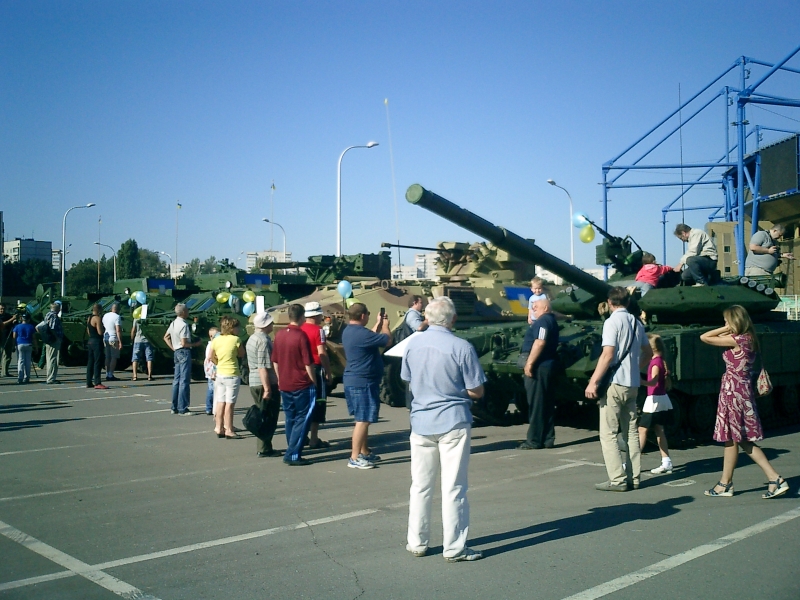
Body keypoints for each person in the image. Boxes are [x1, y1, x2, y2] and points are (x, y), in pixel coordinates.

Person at [401, 296, 487, 562]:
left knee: (420, 486)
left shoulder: (412, 344)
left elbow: (407, 379)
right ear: (453, 319)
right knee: (453, 487)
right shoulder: (462, 347)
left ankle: (417, 542)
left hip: (421, 421)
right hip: (453, 421)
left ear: (426, 318)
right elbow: (477, 390)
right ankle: (454, 548)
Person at [699, 305, 790, 499]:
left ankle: (775, 478)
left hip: (734, 394)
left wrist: (726, 328)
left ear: (734, 321)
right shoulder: (748, 338)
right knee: (733, 439)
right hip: (739, 391)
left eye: (727, 320)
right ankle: (725, 483)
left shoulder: (738, 339)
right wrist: (730, 328)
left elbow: (705, 337)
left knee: (741, 439)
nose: (724, 323)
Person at [585, 287, 651, 492]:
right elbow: (648, 352)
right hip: (632, 383)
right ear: (628, 302)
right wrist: (635, 368)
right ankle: (634, 477)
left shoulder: (611, 322)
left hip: (614, 383)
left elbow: (608, 354)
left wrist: (593, 381)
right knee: (630, 431)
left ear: (609, 302)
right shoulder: (636, 322)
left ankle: (617, 479)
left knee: (609, 433)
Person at [342, 302, 392, 469]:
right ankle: (354, 457)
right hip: (363, 382)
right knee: (363, 420)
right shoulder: (362, 334)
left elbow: (369, 336)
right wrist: (385, 326)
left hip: (354, 380)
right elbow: (387, 340)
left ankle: (364, 451)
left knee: (362, 419)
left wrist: (377, 323)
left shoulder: (349, 331)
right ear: (363, 316)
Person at [272, 303, 317, 466]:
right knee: (302, 418)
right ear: (302, 316)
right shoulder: (301, 335)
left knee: (290, 417)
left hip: (285, 383)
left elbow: (275, 361)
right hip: (301, 383)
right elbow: (308, 363)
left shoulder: (279, 334)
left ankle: (291, 447)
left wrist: (280, 378)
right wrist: (313, 380)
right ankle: (293, 453)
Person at [518, 298, 560, 450]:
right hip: (546, 365)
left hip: (539, 367)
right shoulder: (550, 320)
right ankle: (548, 438)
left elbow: (540, 341)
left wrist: (529, 363)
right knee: (546, 404)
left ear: (546, 308)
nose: (533, 308)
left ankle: (534, 440)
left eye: (536, 306)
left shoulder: (543, 321)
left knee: (536, 404)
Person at [246, 312, 281, 457]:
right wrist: (267, 388)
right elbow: (263, 367)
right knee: (268, 416)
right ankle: (264, 448)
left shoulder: (252, 338)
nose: (272, 325)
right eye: (270, 323)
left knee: (263, 413)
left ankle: (264, 446)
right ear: (265, 325)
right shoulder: (263, 341)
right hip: (264, 382)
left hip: (254, 380)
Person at [638, 334, 673, 474]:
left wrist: (640, 381)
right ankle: (666, 462)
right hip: (661, 398)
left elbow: (653, 381)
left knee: (642, 430)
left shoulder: (655, 363)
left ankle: (632, 463)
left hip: (654, 400)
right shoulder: (660, 360)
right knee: (659, 430)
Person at [300, 301, 333, 450]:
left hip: (301, 369)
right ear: (316, 315)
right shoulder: (318, 331)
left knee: (304, 404)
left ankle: (302, 436)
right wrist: (329, 372)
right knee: (319, 402)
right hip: (316, 369)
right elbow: (322, 352)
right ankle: (314, 438)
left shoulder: (300, 329)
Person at [209, 316, 246, 439]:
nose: (239, 329)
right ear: (232, 328)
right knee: (230, 403)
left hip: (220, 373)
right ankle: (229, 429)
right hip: (232, 373)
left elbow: (211, 356)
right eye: (237, 327)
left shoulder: (216, 340)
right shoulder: (236, 339)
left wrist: (218, 363)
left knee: (221, 402)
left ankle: (218, 427)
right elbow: (241, 354)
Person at [163, 304, 202, 415]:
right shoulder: (184, 325)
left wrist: (173, 348)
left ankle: (174, 406)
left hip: (177, 351)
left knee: (176, 380)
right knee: (184, 380)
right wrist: (195, 344)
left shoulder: (174, 323)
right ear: (184, 312)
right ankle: (183, 408)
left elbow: (166, 337)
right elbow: (184, 343)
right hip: (184, 351)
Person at [86, 303, 107, 389]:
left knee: (90, 362)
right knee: (98, 362)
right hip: (97, 342)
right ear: (99, 310)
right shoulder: (97, 318)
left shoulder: (89, 318)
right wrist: (103, 329)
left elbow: (88, 330)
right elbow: (100, 332)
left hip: (90, 340)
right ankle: (97, 382)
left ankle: (88, 381)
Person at [43, 303, 64, 384]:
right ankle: (51, 378)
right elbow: (52, 328)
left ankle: (49, 376)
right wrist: (56, 337)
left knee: (49, 358)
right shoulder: (54, 316)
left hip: (48, 340)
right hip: (53, 340)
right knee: (53, 359)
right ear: (58, 309)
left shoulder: (47, 315)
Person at [102, 302, 123, 381]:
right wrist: (120, 342)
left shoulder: (105, 315)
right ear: (118, 309)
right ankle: (111, 374)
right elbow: (118, 330)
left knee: (107, 357)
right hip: (113, 338)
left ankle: (107, 373)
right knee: (114, 357)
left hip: (106, 337)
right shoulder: (117, 317)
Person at [12, 314, 35, 384]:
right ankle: (27, 377)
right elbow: (34, 338)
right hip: (29, 344)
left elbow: (14, 336)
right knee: (28, 361)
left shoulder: (17, 326)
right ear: (28, 319)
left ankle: (20, 377)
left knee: (21, 361)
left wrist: (13, 345)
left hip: (20, 344)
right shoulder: (31, 326)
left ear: (22, 319)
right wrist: (36, 347)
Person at [131, 313, 154, 381]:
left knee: (135, 358)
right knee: (149, 358)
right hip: (147, 340)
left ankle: (135, 376)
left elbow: (133, 330)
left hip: (138, 340)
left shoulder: (136, 319)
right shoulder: (149, 318)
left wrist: (132, 339)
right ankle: (149, 376)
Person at [204, 327, 220, 416]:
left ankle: (210, 407)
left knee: (212, 388)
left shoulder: (212, 344)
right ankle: (209, 407)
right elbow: (211, 357)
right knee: (212, 388)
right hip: (212, 369)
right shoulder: (211, 345)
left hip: (210, 369)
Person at [0, 304, 15, 377]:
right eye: (1, 309)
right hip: (0, 337)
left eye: (3, 309)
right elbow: (2, 324)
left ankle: (5, 372)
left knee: (7, 355)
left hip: (8, 336)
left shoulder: (8, 316)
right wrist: (12, 319)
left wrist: (14, 320)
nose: (2, 310)